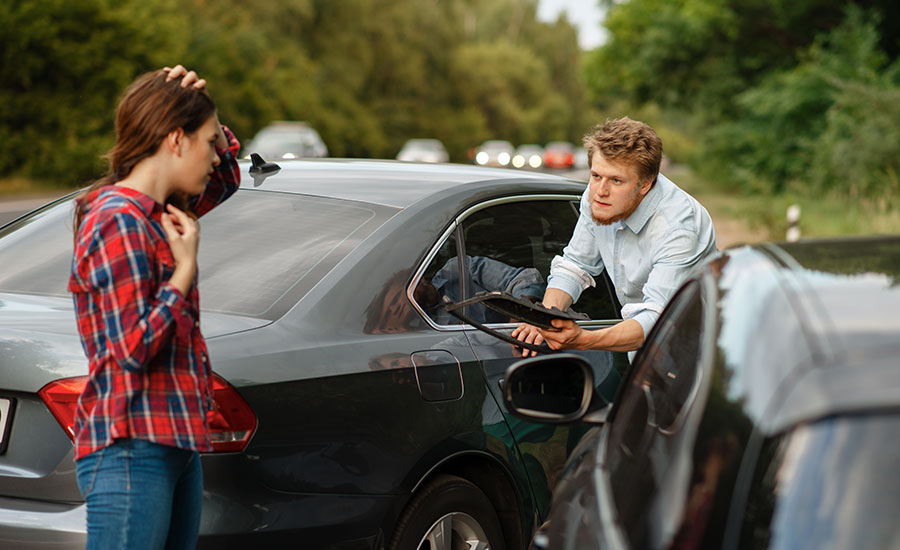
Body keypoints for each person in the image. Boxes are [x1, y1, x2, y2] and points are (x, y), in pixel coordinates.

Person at [68, 65, 240, 549]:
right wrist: (182, 275)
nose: (215, 154)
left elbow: (226, 179)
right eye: (208, 141)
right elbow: (129, 348)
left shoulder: (161, 213)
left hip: (174, 440)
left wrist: (210, 113)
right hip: (131, 446)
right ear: (175, 140)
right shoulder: (117, 219)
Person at [513, 117, 716, 356]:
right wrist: (544, 318)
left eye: (616, 180)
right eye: (596, 176)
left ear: (645, 184)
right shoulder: (598, 196)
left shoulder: (678, 228)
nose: (600, 191)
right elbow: (575, 266)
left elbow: (657, 319)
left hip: (697, 354)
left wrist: (583, 340)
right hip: (641, 354)